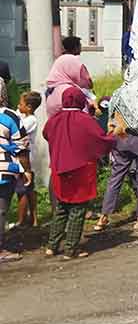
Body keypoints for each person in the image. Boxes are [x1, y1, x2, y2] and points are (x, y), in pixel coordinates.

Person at [42, 85, 116, 260]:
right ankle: (71, 249)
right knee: (77, 208)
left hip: (59, 169)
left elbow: (46, 134)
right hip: (80, 170)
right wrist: (113, 135)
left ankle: (51, 246)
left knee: (61, 207)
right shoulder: (85, 119)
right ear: (80, 100)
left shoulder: (54, 119)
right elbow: (100, 139)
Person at [96, 56, 138, 231]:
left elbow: (111, 120)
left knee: (115, 177)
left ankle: (103, 217)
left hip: (121, 139)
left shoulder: (117, 93)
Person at [0, 92, 32, 262]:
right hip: (3, 170)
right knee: (0, 210)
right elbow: (21, 147)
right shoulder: (10, 116)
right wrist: (26, 170)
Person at [44, 36, 94, 119]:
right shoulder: (74, 60)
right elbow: (86, 81)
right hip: (67, 95)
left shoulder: (59, 59)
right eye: (80, 45)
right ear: (76, 47)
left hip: (52, 96)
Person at [12, 91, 41, 229]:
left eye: (21, 104)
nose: (19, 105)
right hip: (25, 157)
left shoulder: (31, 120)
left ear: (29, 107)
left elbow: (16, 130)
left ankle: (21, 220)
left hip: (26, 159)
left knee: (22, 189)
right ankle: (33, 219)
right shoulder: (24, 117)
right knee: (29, 190)